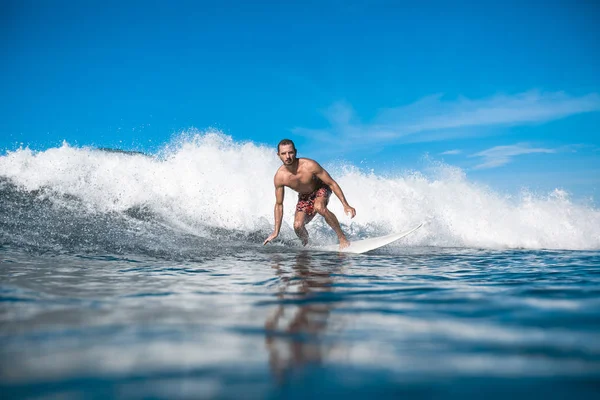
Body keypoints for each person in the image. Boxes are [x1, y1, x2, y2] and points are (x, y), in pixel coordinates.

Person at [263, 139, 356, 249]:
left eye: (290, 152)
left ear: (295, 152)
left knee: (319, 207)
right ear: (278, 155)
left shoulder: (309, 165)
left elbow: (331, 183)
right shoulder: (280, 177)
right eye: (283, 153)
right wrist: (276, 231)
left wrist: (345, 204)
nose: (287, 156)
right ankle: (307, 245)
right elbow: (279, 204)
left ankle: (342, 238)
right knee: (297, 226)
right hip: (304, 196)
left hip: (320, 188)